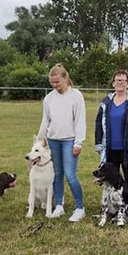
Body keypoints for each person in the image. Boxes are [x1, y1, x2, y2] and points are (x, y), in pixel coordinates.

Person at [37, 64, 86, 222]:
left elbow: (80, 120)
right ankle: (59, 205)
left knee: (70, 175)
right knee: (57, 175)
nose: (55, 85)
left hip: (69, 141)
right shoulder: (49, 98)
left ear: (65, 78)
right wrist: (40, 139)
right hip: (53, 141)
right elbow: (46, 120)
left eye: (57, 82)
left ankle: (80, 208)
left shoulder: (76, 95)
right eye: (52, 83)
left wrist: (79, 142)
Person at [95, 69, 128, 216]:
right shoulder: (106, 102)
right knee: (110, 179)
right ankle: (111, 207)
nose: (120, 82)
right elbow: (99, 123)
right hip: (111, 148)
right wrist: (99, 143)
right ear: (113, 83)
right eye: (117, 80)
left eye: (123, 80)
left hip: (127, 149)